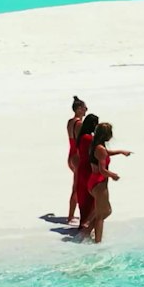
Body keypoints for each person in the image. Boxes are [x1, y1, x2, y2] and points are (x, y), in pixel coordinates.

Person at [85, 120, 131, 244]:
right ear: (106, 135)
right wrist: (112, 175)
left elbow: (105, 154)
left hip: (94, 181)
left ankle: (86, 233)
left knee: (103, 211)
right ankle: (97, 242)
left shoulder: (97, 145)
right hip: (99, 183)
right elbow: (102, 170)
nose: (112, 135)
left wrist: (121, 152)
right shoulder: (100, 148)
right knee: (102, 214)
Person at [72, 113, 100, 231]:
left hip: (82, 168)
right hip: (88, 169)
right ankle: (87, 225)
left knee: (83, 196)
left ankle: (83, 222)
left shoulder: (82, 137)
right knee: (91, 198)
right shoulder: (89, 139)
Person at [63, 96, 88, 224]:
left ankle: (72, 214)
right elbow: (82, 143)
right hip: (78, 156)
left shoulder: (69, 122)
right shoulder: (79, 124)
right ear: (78, 109)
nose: (86, 110)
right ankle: (70, 216)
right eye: (84, 108)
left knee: (77, 186)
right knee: (76, 188)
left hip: (71, 155)